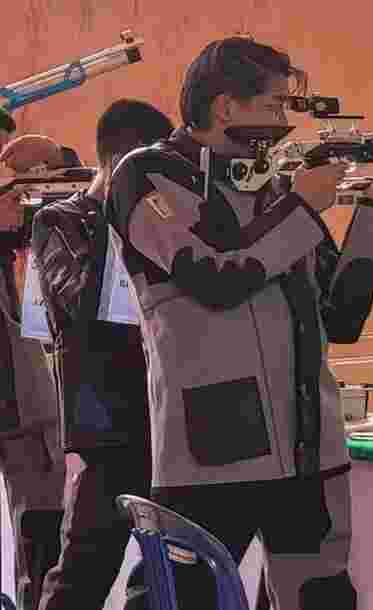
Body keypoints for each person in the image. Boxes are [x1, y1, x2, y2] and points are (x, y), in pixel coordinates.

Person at [107, 36, 373, 610]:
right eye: (274, 106)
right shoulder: (147, 175)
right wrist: (301, 206)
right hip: (210, 450)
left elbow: (341, 316)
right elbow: (215, 277)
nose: (283, 124)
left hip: (310, 450)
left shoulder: (273, 188)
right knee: (180, 601)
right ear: (226, 106)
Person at [27, 99, 174, 610]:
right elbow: (78, 304)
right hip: (108, 430)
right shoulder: (60, 222)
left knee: (164, 574)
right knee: (82, 573)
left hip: (172, 424)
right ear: (118, 163)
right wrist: (118, 216)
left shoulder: (163, 220)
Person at [0, 106, 67, 610]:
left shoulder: (12, 220)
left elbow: (70, 202)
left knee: (42, 532)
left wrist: (56, 161)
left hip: (23, 408)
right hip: (20, 405)